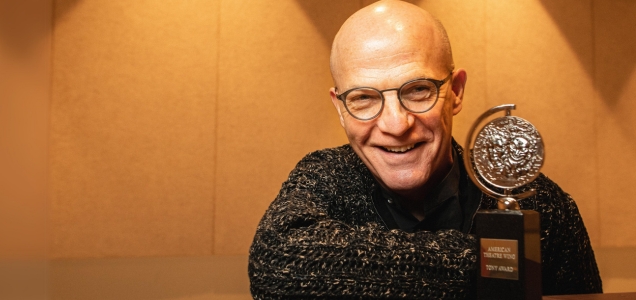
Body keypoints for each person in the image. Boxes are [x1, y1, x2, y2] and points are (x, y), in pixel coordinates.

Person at [248, 1, 602, 299]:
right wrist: (494, 264)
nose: (396, 124)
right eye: (363, 98)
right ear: (340, 108)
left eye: (417, 90)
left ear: (457, 91)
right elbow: (275, 261)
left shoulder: (543, 207)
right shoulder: (325, 177)